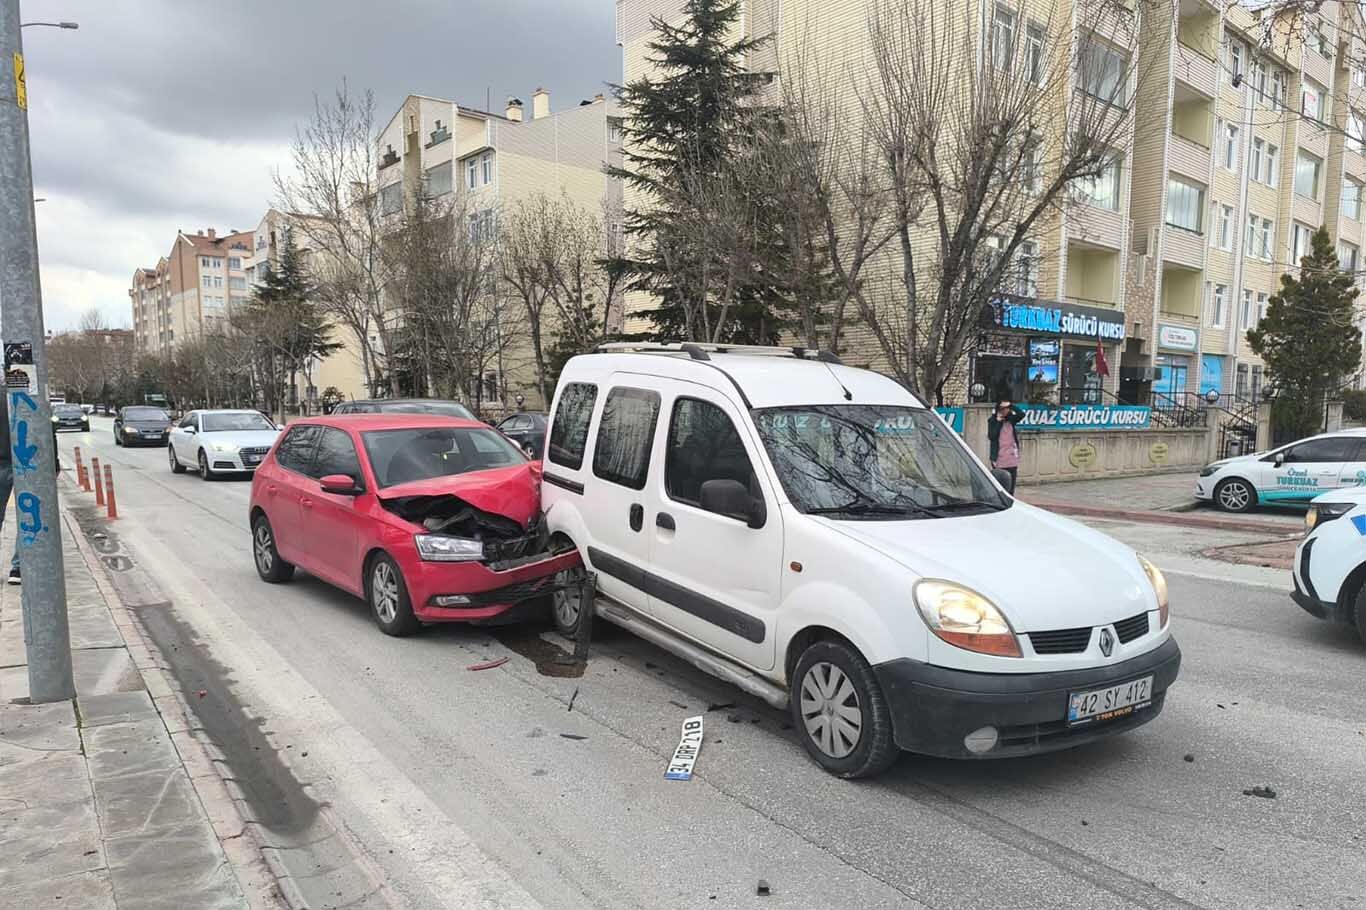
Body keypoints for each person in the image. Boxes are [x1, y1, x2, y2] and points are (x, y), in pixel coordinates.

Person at [0, 394, 62, 585]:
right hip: (28, 463)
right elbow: (47, 430)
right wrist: (54, 462)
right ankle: (19, 567)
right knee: (28, 516)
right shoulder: (32, 395)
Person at [987, 399, 1023, 494]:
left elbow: (1021, 414)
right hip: (999, 460)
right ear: (999, 409)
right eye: (1003, 408)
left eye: (1007, 408)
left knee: (1011, 488)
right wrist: (999, 422)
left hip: (1012, 458)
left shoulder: (1011, 420)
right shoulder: (993, 420)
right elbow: (992, 436)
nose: (1006, 411)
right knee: (1000, 488)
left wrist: (1011, 405)